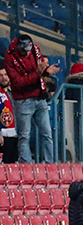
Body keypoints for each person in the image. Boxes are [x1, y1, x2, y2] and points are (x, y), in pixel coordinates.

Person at [3, 33, 58, 163]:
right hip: (23, 100)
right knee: (24, 136)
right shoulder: (9, 58)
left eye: (29, 50)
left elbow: (40, 69)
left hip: (40, 97)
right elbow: (17, 82)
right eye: (24, 51)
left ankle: (50, 164)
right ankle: (25, 164)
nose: (27, 53)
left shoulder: (35, 50)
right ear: (18, 48)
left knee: (47, 133)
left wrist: (46, 71)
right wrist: (37, 74)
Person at [0, 68, 16, 164]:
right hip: (2, 135)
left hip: (16, 134)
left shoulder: (15, 91)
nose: (4, 78)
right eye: (1, 75)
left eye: (5, 74)